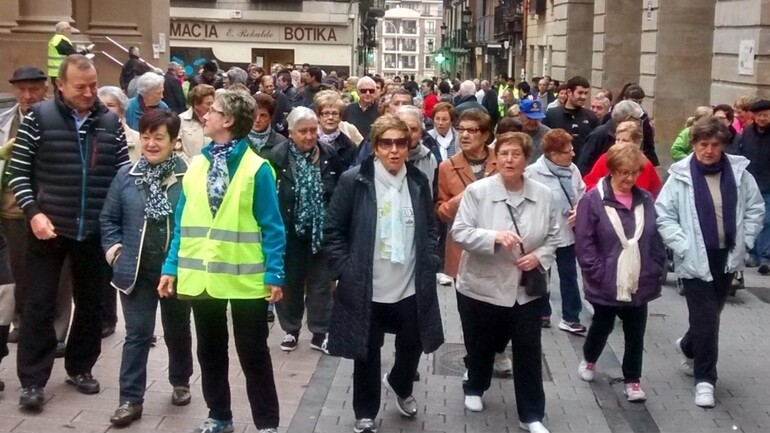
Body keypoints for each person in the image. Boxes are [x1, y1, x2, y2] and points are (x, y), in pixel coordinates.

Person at [157, 90, 285, 433]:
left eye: (213, 111)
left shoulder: (258, 169)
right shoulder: (197, 164)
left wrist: (275, 273)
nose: (205, 115)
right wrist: (171, 267)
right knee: (210, 353)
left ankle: (267, 425)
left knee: (253, 355)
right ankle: (219, 417)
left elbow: (273, 226)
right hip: (202, 278)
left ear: (227, 121)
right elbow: (183, 223)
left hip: (246, 279)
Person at [7, 55, 130, 409]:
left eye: (93, 85)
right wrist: (33, 213)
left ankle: (80, 367)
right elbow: (17, 172)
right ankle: (32, 380)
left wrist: (118, 224)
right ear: (60, 85)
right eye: (81, 86)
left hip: (94, 230)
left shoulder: (109, 122)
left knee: (91, 305)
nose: (90, 92)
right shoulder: (38, 119)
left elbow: (122, 176)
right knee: (39, 304)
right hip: (48, 228)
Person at [324, 114, 443, 433]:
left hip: (410, 284)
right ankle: (365, 412)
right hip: (366, 285)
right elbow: (333, 229)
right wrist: (345, 270)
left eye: (400, 143)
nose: (394, 150)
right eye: (386, 143)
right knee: (366, 351)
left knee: (414, 342)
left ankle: (401, 383)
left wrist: (431, 258)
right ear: (375, 147)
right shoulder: (354, 180)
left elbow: (431, 227)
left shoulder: (417, 181)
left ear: (409, 145)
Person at [451, 131, 557, 433]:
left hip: (526, 289)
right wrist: (493, 237)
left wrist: (539, 257)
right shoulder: (479, 192)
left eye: (517, 154)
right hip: (483, 285)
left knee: (528, 348)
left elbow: (554, 235)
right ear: (496, 157)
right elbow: (459, 232)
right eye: (504, 154)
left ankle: (532, 413)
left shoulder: (543, 194)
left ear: (527, 159)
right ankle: (475, 386)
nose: (510, 160)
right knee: (482, 343)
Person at [656, 116, 764, 408]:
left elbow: (755, 208)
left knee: (711, 316)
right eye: (703, 144)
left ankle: (689, 344)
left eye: (715, 145)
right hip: (694, 255)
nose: (709, 151)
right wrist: (683, 244)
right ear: (694, 144)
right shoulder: (680, 175)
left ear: (723, 146)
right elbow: (664, 215)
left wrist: (747, 239)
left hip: (727, 255)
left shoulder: (740, 173)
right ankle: (705, 379)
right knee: (706, 318)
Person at [100, 110, 194, 426]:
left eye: (159, 137)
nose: (151, 144)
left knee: (177, 331)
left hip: (175, 271)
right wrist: (115, 253)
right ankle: (130, 399)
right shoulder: (126, 175)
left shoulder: (188, 176)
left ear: (174, 141)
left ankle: (180, 380)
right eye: (146, 136)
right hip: (135, 272)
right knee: (137, 334)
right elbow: (108, 219)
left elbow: (195, 224)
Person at [574, 142, 666, 402]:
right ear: (612, 170)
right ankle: (590, 358)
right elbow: (585, 241)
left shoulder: (645, 199)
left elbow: (655, 236)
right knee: (602, 325)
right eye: (623, 172)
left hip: (640, 278)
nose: (629, 178)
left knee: (635, 333)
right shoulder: (593, 199)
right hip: (606, 279)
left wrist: (656, 267)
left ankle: (633, 380)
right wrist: (598, 272)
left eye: (634, 172)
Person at [261, 106, 343, 354]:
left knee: (321, 284)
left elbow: (338, 191)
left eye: (312, 130)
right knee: (291, 283)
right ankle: (290, 329)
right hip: (289, 231)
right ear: (290, 133)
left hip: (321, 233)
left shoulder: (329, 155)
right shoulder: (277, 157)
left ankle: (320, 332)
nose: (309, 136)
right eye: (302, 131)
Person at [0, 67, 71, 354]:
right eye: (21, 90)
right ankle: (20, 323)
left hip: (47, 210)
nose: (26, 96)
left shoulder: (54, 120)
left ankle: (56, 331)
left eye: (33, 89)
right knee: (15, 273)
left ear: (46, 89)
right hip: (10, 212)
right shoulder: (5, 121)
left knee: (57, 274)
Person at [525, 129, 586, 332]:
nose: (573, 154)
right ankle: (543, 312)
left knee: (569, 275)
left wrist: (579, 209)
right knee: (543, 274)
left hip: (567, 234)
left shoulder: (573, 170)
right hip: (543, 236)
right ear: (554, 154)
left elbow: (581, 193)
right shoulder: (533, 172)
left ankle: (571, 316)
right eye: (568, 151)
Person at [584, 121, 662, 198]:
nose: (619, 144)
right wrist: (603, 193)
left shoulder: (645, 164)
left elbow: (657, 193)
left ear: (637, 143)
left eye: (625, 140)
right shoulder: (606, 158)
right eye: (617, 139)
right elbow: (588, 183)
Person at [739, 100, 770, 274]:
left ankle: (765, 257)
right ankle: (753, 254)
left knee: (766, 220)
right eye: (759, 115)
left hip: (768, 184)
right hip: (750, 183)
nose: (762, 118)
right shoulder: (747, 133)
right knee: (750, 218)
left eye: (765, 115)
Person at [578, 100, 645, 174]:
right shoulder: (599, 134)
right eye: (637, 119)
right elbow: (584, 165)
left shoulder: (635, 133)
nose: (639, 122)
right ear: (627, 118)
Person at [543, 76, 599, 163]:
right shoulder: (552, 115)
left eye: (586, 93)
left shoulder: (591, 117)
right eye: (580, 93)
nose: (583, 97)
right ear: (569, 92)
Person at [397, 105, 439, 192]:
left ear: (421, 133)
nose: (408, 133)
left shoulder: (429, 158)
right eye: (403, 128)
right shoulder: (383, 157)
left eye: (413, 129)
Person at [314, 91, 358, 170]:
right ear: (318, 116)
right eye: (326, 113)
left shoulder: (349, 146)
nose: (330, 117)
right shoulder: (309, 140)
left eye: (335, 113)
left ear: (340, 117)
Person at [99, 86, 142, 162]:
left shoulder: (138, 139)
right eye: (101, 105)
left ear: (122, 110)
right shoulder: (89, 137)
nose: (105, 109)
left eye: (110, 105)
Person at [178, 84, 215, 160]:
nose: (211, 107)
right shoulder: (180, 120)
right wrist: (188, 165)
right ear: (196, 104)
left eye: (212, 103)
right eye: (208, 104)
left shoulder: (216, 120)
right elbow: (176, 149)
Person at [248, 93, 289, 157]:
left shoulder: (282, 143)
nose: (257, 120)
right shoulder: (237, 139)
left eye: (263, 116)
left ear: (271, 118)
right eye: (254, 114)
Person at [517, 99, 551, 163]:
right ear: (519, 114)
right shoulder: (510, 129)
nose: (533, 122)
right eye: (529, 118)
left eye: (536, 118)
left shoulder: (547, 134)